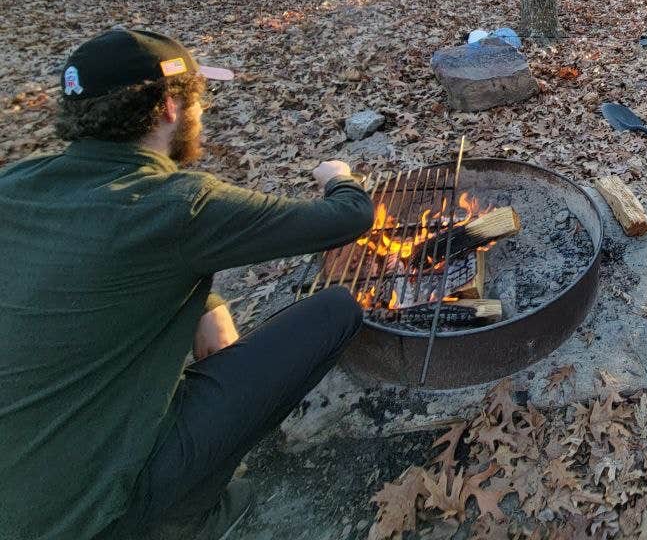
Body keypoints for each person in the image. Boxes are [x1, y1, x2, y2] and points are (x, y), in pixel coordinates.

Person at [0, 29, 375, 540]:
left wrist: (207, 298)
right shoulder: (176, 203)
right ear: (170, 109)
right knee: (335, 310)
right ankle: (195, 515)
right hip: (102, 515)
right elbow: (348, 218)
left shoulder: (15, 185)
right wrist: (339, 175)